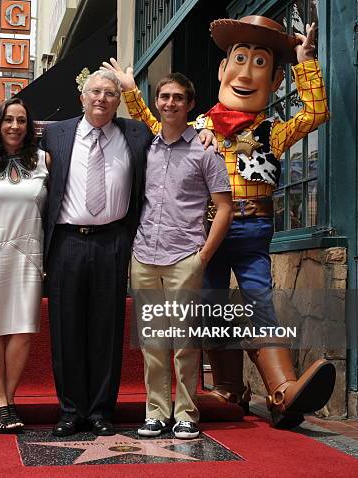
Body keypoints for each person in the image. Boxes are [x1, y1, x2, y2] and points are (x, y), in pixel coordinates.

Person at [104, 16, 333, 429]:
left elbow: (317, 112)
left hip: (251, 229)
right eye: (239, 59)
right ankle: (229, 388)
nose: (246, 73)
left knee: (258, 304)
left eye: (259, 63)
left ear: (276, 79)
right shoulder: (199, 129)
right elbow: (158, 128)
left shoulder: (273, 132)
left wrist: (306, 61)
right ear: (221, 70)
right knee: (207, 309)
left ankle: (283, 390)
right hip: (203, 231)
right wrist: (131, 91)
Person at [42, 70, 154, 437]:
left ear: (118, 100)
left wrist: (202, 133)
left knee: (107, 329)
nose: (101, 99)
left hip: (114, 240)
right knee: (66, 327)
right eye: (95, 92)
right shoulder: (56, 133)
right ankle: (71, 410)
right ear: (82, 97)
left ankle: (103, 410)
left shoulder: (135, 134)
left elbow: (169, 133)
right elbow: (17, 151)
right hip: (67, 240)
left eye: (109, 93)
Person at [131, 73, 233, 439]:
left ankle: (187, 413)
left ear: (190, 105)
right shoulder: (145, 147)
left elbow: (224, 207)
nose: (170, 103)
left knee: (185, 342)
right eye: (164, 97)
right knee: (153, 342)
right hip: (144, 254)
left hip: (184, 256)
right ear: (156, 102)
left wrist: (203, 255)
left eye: (178, 97)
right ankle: (156, 412)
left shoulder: (206, 151)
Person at [0, 97, 50, 433]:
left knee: (22, 329)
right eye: (8, 120)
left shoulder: (45, 161)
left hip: (30, 251)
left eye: (21, 120)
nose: (15, 126)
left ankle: (9, 398)